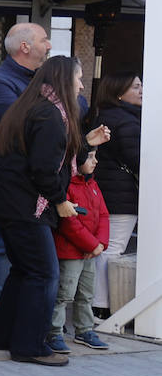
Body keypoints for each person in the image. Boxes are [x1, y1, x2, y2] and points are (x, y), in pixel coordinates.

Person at [0, 56, 109, 367]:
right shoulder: (50, 115)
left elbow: (52, 154)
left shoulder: (37, 108)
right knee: (43, 273)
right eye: (78, 78)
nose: (81, 85)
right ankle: (29, 346)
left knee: (25, 270)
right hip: (25, 205)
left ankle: (1, 335)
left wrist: (86, 143)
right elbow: (43, 167)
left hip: (12, 202)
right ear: (64, 80)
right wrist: (60, 200)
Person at [0, 22, 52, 330]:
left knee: (27, 255)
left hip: (34, 181)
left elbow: (75, 108)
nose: (49, 46)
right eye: (44, 40)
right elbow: (27, 122)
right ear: (25, 47)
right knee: (0, 246)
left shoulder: (40, 81)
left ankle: (14, 312)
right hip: (9, 184)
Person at [85, 71, 141, 320]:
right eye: (136, 86)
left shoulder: (103, 117)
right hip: (121, 193)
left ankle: (95, 303)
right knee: (113, 248)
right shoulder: (128, 122)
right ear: (119, 92)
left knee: (103, 247)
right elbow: (137, 160)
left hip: (102, 189)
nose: (142, 90)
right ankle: (101, 306)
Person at [48, 149, 110, 354]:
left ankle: (84, 329)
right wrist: (92, 244)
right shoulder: (67, 187)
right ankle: (54, 331)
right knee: (64, 294)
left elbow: (103, 215)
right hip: (71, 252)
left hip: (89, 252)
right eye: (90, 157)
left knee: (86, 293)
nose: (95, 161)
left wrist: (100, 243)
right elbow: (68, 223)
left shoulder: (93, 185)